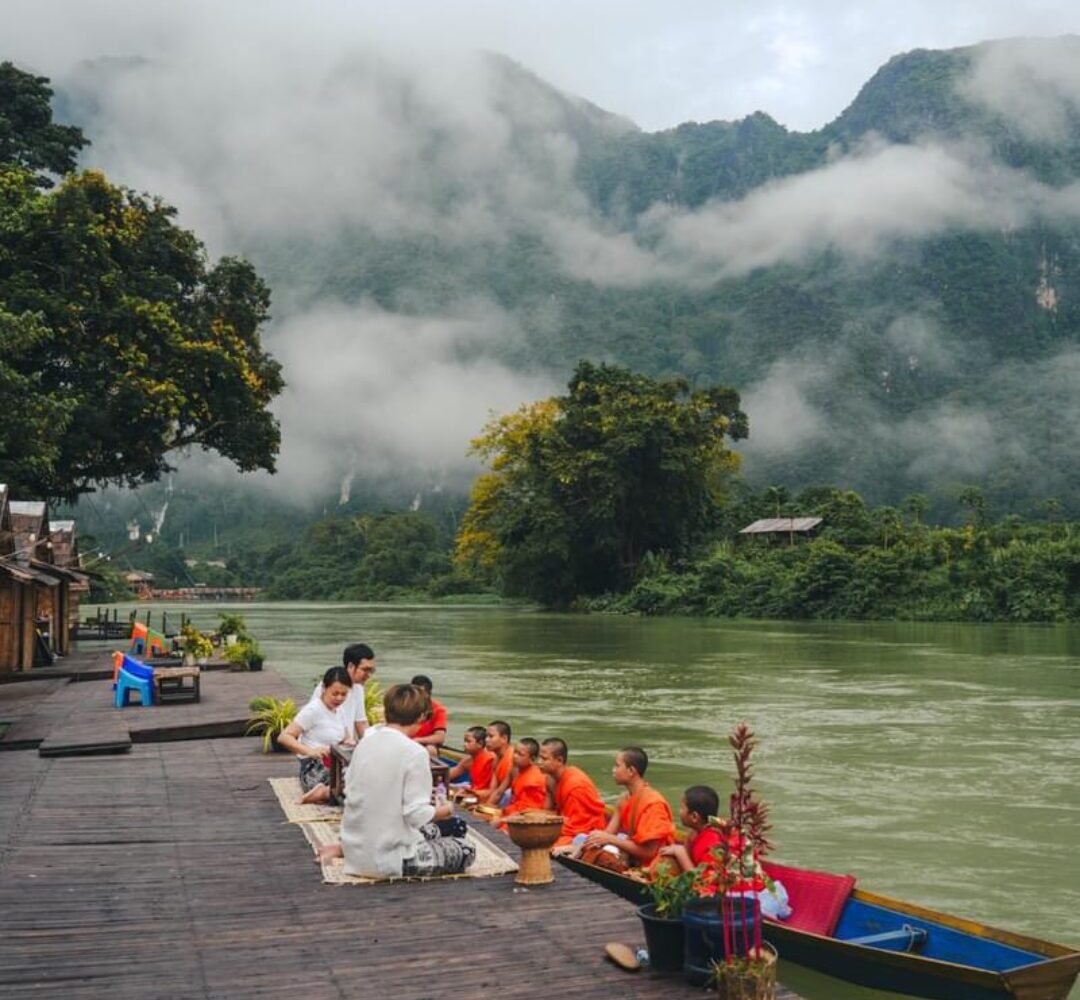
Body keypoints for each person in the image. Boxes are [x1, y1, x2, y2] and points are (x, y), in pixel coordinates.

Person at [327, 683, 476, 877]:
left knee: (454, 826)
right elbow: (416, 815)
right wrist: (445, 809)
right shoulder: (415, 752)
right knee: (467, 848)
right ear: (421, 716)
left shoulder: (365, 742)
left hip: (355, 848)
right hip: (387, 858)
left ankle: (343, 849)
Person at [583, 747, 676, 866]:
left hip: (654, 867)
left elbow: (650, 852)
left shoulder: (653, 803)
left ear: (631, 771)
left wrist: (610, 839)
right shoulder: (624, 799)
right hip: (632, 859)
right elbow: (608, 833)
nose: (613, 770)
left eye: (617, 766)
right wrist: (577, 847)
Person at [277, 666, 352, 805]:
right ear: (324, 688)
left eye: (344, 694)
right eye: (335, 694)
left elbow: (345, 738)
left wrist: (349, 743)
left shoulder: (340, 710)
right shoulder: (313, 710)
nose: (339, 698)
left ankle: (325, 792)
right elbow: (284, 736)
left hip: (336, 763)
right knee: (350, 788)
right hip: (314, 766)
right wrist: (311, 751)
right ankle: (323, 791)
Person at [538, 737, 608, 849]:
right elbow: (547, 812)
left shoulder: (575, 785)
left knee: (547, 845)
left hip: (585, 831)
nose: (539, 762)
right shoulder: (550, 779)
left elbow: (577, 826)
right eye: (539, 758)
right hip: (565, 824)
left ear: (559, 760)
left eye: (544, 759)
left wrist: (548, 828)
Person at [308, 643, 375, 742]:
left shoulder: (358, 688)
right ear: (351, 666)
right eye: (365, 670)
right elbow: (319, 724)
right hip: (319, 749)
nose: (369, 675)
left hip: (343, 745)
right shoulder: (330, 686)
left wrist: (372, 745)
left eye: (371, 670)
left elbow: (361, 723)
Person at [656, 785, 724, 873]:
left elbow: (702, 883)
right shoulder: (701, 828)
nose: (679, 811)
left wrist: (680, 852)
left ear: (694, 817)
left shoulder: (711, 844)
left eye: (682, 808)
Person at [495, 738, 548, 821]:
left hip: (523, 820)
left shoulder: (533, 780)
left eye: (520, 754)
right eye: (515, 752)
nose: (515, 756)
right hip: (513, 811)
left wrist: (503, 819)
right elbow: (499, 793)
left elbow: (527, 813)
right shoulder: (516, 770)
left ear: (532, 759)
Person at [447, 726, 494, 791]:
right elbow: (450, 774)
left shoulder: (491, 760)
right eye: (464, 741)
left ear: (480, 743)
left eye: (468, 741)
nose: (464, 744)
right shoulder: (467, 761)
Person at [410, 674, 447, 756]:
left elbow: (440, 737)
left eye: (421, 693)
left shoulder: (438, 709)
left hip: (425, 744)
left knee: (430, 750)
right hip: (406, 741)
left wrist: (417, 740)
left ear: (428, 693)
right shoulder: (406, 705)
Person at [481, 720, 513, 805]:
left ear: (504, 739)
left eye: (491, 736)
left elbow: (500, 793)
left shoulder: (513, 759)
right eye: (486, 736)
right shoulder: (496, 759)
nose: (486, 740)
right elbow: (492, 791)